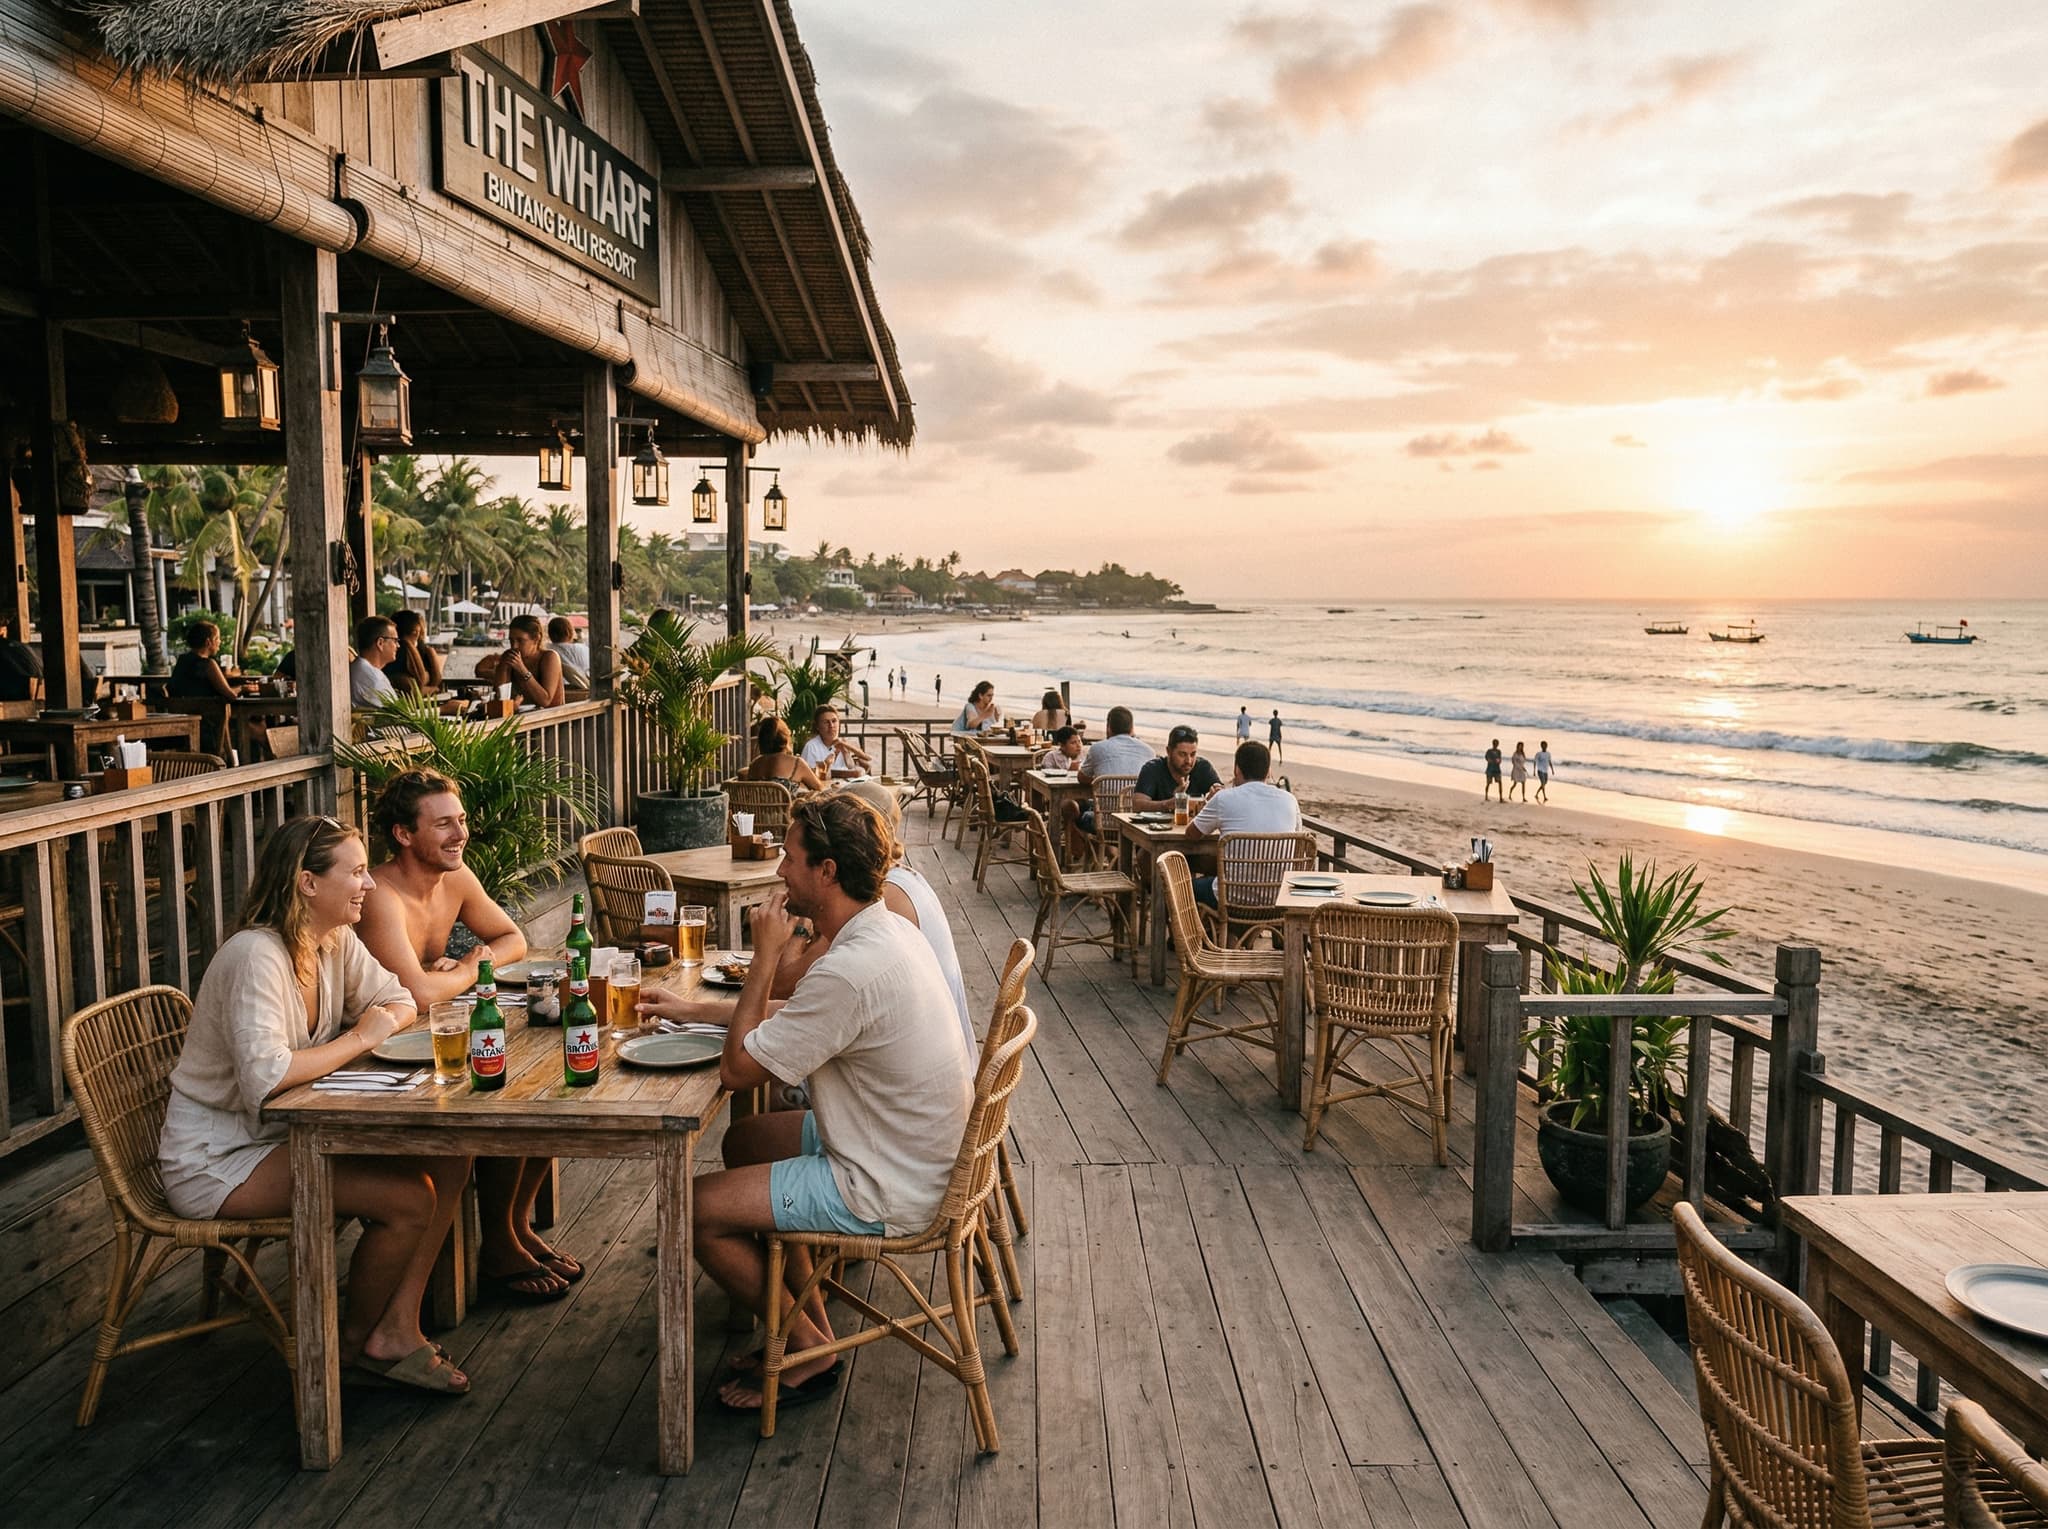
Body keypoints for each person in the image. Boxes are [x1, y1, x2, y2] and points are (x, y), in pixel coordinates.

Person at [156, 816, 470, 1394]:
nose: (368, 884)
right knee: (408, 1200)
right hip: (219, 1158)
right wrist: (360, 1037)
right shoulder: (257, 956)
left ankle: (395, 1328)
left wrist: (376, 1022)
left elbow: (397, 997)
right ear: (306, 883)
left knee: (449, 1153)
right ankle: (350, 1349)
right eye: (354, 872)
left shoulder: (330, 939)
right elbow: (268, 1080)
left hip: (286, 1133)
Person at [686, 793, 972, 1412]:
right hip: (911, 1148)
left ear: (828, 871)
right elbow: (809, 1018)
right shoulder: (886, 930)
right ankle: (810, 1327)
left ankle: (805, 1348)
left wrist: (763, 957)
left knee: (694, 1210)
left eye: (790, 859)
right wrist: (694, 1010)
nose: (780, 872)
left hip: (888, 1182)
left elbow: (738, 1071)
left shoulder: (850, 967)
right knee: (745, 1142)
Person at [355, 771, 577, 1302]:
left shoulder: (455, 878)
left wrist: (460, 968)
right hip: (377, 1058)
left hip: (431, 1037)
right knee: (501, 1092)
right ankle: (499, 1243)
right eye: (444, 825)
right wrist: (470, 970)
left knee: (534, 1084)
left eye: (462, 821)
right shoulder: (381, 896)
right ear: (404, 835)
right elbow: (420, 995)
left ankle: (512, 1229)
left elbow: (512, 939)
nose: (460, 834)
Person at [1185, 741, 1299, 905]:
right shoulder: (1290, 800)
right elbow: (1297, 841)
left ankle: (1194, 930)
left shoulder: (1224, 798)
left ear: (1236, 769)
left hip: (1232, 898)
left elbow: (1191, 834)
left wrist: (1209, 805)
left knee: (1179, 888)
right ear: (1268, 772)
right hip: (1277, 899)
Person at [1064, 704, 1154, 860]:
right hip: (1136, 825)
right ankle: (1107, 853)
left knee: (1072, 811)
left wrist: (1101, 779)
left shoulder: (1098, 748)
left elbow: (1081, 777)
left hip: (1105, 824)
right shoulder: (1149, 751)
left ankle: (1087, 849)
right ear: (1132, 728)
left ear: (1108, 727)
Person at [476, 614, 566, 709]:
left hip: (551, 719)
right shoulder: (509, 657)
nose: (514, 646)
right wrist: (503, 667)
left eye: (520, 640)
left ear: (536, 638)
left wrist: (522, 670)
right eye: (511, 640)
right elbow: (501, 697)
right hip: (522, 717)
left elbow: (545, 700)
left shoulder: (549, 657)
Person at [1132, 724, 1221, 808]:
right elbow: (1138, 805)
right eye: (1182, 754)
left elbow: (1222, 794)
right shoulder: (1153, 769)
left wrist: (1215, 796)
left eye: (1193, 754)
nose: (1188, 761)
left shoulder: (1203, 767)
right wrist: (1169, 804)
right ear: (1168, 751)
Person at [744, 715, 826, 791]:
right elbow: (819, 788)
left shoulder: (754, 764)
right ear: (785, 738)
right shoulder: (796, 763)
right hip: (787, 807)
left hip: (756, 807)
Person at [384, 610, 443, 698]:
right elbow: (411, 689)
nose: (418, 637)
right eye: (415, 633)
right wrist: (431, 688)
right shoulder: (400, 653)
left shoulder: (422, 650)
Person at [800, 704, 871, 775]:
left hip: (848, 783)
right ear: (817, 726)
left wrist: (845, 751)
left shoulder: (843, 743)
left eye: (834, 721)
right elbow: (809, 774)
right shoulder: (811, 747)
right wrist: (826, 764)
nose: (831, 726)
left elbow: (855, 764)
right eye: (826, 722)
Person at [351, 616, 400, 707]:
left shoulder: (362, 668)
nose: (398, 645)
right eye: (395, 640)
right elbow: (397, 716)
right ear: (380, 643)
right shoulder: (373, 678)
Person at [547, 616, 590, 690]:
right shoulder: (583, 649)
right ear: (569, 632)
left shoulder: (547, 650)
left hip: (558, 691)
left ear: (550, 634)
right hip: (584, 691)